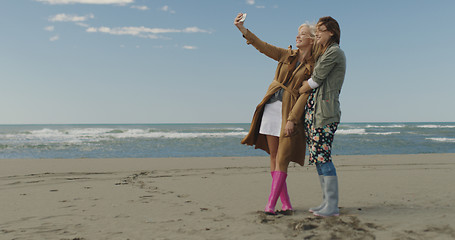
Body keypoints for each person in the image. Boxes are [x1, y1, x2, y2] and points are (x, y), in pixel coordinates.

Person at [234, 13, 316, 215]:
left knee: (283, 157)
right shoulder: (286, 55)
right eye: (298, 34)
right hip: (270, 108)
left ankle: (270, 205)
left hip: (289, 112)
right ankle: (285, 203)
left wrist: (292, 119)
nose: (298, 37)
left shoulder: (313, 67)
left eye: (303, 34)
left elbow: (304, 97)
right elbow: (263, 46)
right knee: (273, 156)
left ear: (312, 40)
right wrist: (243, 30)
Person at [299, 16, 346, 217]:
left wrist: (302, 87)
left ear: (332, 32)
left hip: (325, 114)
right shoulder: (325, 51)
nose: (317, 32)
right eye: (316, 29)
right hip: (316, 113)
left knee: (323, 158)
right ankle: (327, 202)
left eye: (321, 29)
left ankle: (332, 206)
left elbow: (315, 80)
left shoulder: (334, 52)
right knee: (318, 158)